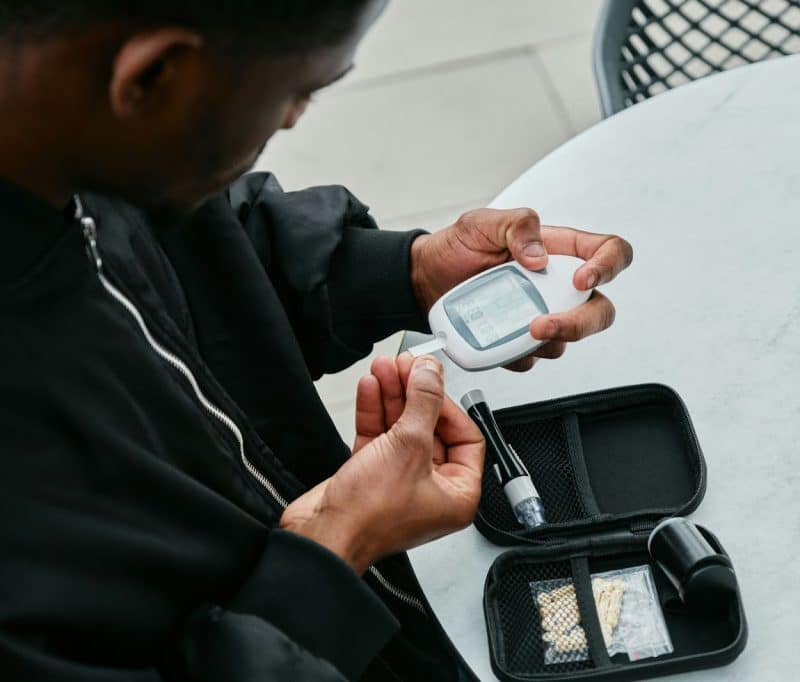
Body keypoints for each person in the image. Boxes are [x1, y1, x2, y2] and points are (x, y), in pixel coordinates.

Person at [0, 1, 633, 680]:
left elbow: (193, 257)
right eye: (300, 89)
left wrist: (408, 274)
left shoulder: (76, 143)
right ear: (156, 76)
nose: (293, 117)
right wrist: (334, 545)